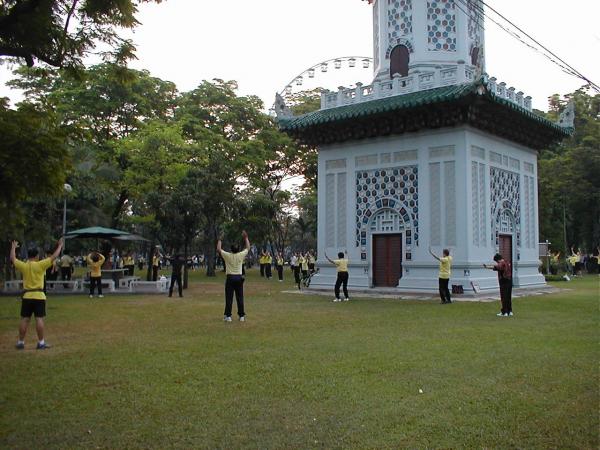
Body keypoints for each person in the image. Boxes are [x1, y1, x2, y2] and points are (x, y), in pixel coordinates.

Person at [10, 238, 63, 350]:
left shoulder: (24, 266)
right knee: (39, 319)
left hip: (27, 296)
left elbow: (13, 258)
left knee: (25, 319)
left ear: (28, 255)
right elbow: (54, 257)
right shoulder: (40, 265)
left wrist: (13, 247)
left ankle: (20, 342)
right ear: (37, 256)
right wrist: (59, 246)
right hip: (39, 296)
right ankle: (41, 342)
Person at [217, 231, 250, 322]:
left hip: (230, 278)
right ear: (238, 249)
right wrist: (246, 237)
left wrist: (220, 239)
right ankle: (241, 316)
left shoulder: (227, 256)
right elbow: (248, 248)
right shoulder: (240, 255)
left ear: (231, 249)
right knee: (240, 297)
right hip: (239, 278)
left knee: (229, 297)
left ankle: (228, 316)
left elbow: (219, 249)